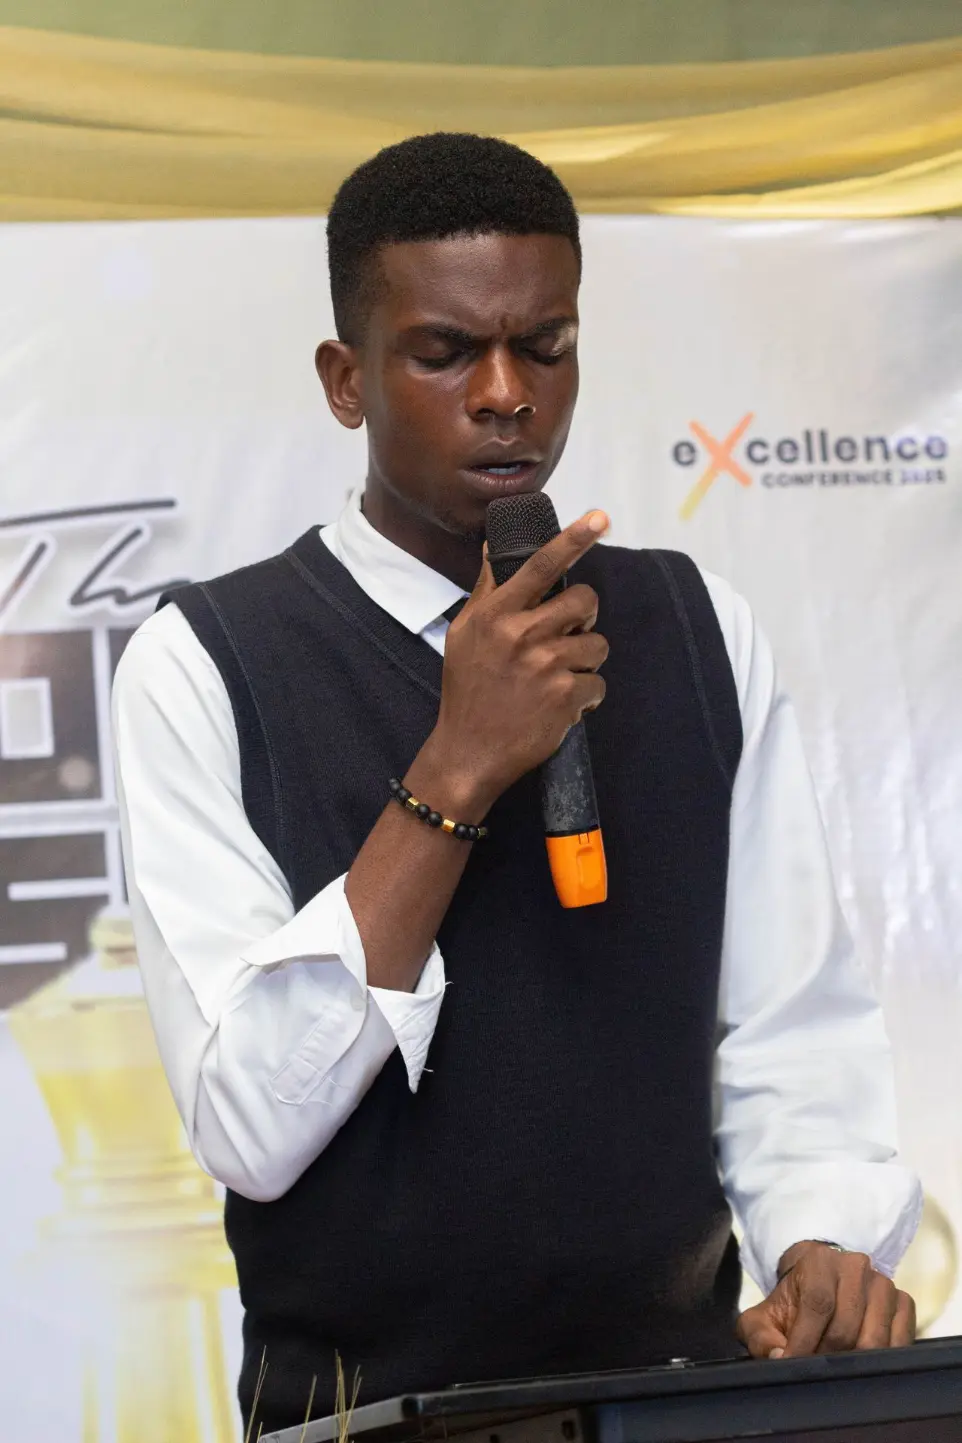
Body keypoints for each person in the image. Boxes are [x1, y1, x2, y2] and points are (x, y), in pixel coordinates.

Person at [112, 132, 922, 1434]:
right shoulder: (206, 661)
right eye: (443, 353)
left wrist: (820, 1239)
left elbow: (790, 1025)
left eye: (544, 345)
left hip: (676, 1397)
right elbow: (252, 1122)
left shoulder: (690, 623)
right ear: (345, 377)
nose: (507, 394)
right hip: (368, 1415)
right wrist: (456, 765)